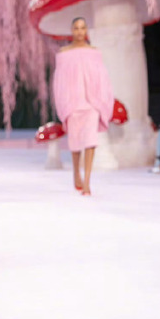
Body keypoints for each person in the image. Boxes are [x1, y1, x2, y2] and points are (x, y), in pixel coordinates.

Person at [53, 17, 114, 196]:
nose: (79, 31)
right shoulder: (63, 54)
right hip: (73, 104)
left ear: (86, 30)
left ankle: (87, 181)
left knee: (90, 141)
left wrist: (101, 100)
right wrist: (64, 103)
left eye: (82, 28)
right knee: (75, 143)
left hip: (91, 104)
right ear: (71, 30)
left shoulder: (94, 53)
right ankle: (76, 173)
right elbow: (59, 82)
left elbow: (102, 79)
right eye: (76, 28)